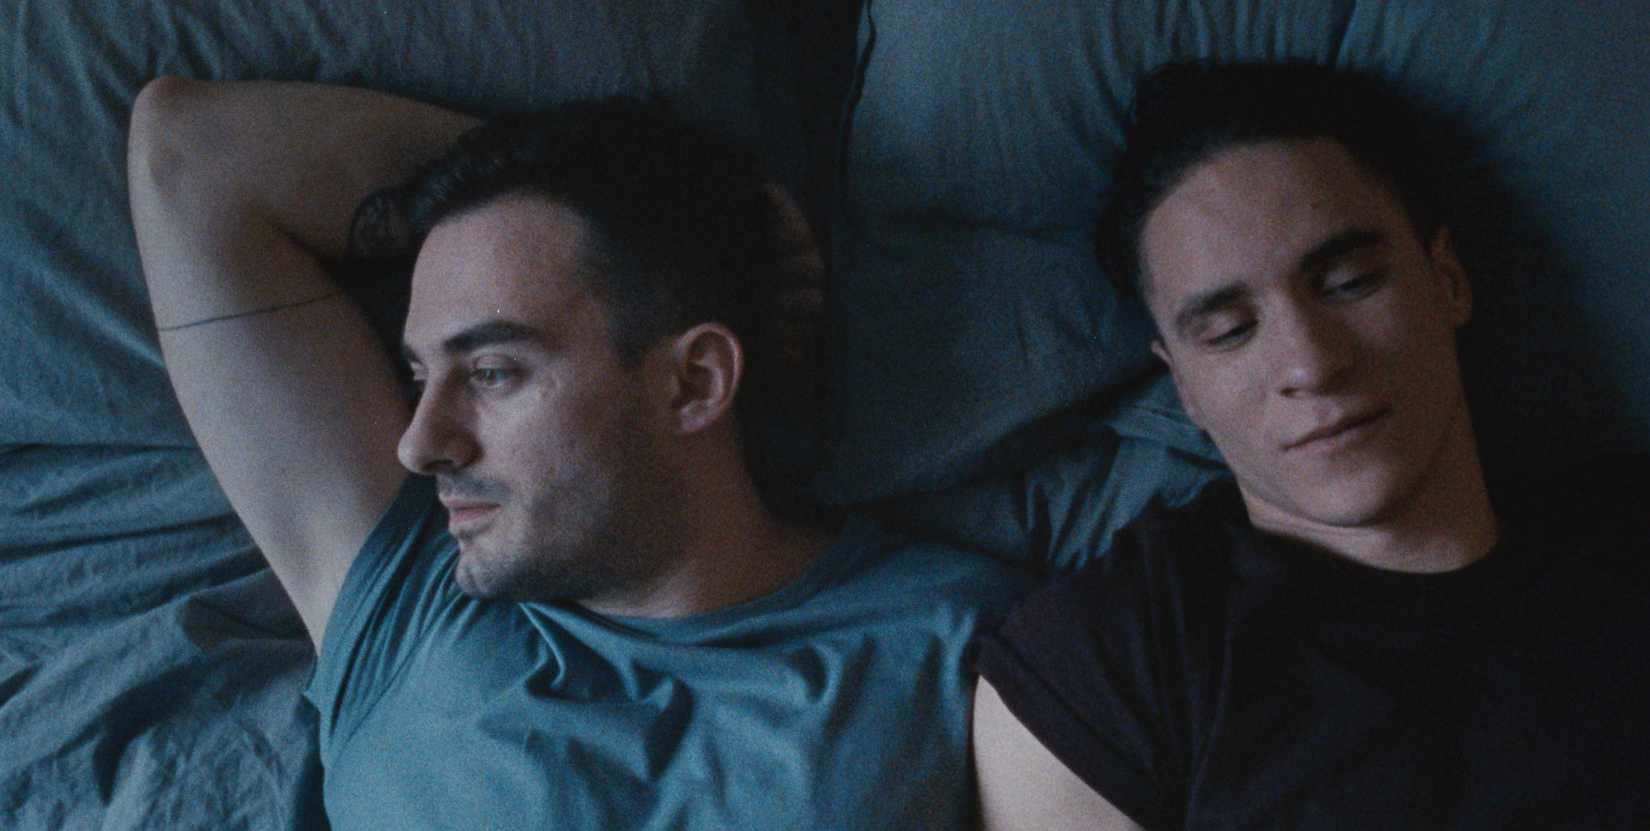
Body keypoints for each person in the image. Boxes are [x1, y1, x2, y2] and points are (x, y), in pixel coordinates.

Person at [128, 78, 1029, 829]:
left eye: (490, 371)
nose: (420, 441)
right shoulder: (404, 604)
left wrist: (663, 222)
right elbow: (188, 154)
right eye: (419, 374)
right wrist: (652, 204)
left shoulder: (957, 642)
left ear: (693, 382)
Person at [970, 60, 1650, 829]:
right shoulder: (1105, 660)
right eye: (1230, 330)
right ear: (1184, 386)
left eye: (1350, 282)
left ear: (1448, 280)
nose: (1311, 363)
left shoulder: (1628, 542)